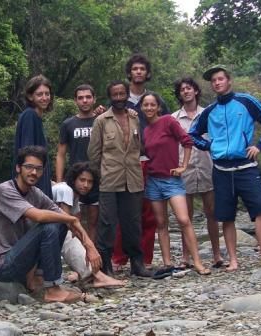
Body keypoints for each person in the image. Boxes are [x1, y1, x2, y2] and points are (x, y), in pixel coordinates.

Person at [190, 65, 261, 271]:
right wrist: (209, 145)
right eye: (213, 81)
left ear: (228, 81)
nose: (217, 83)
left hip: (246, 165)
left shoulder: (245, 101)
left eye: (220, 79)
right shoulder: (210, 111)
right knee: (226, 215)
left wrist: (260, 145)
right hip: (221, 169)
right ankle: (233, 260)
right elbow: (192, 133)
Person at [0, 146, 99, 303]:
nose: (33, 172)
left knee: (59, 223)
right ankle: (52, 289)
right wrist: (72, 219)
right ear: (18, 168)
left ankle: (39, 278)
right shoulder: (5, 190)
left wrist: (89, 245)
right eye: (29, 167)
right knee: (51, 225)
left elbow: (63, 216)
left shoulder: (35, 193)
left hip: (24, 260)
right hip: (4, 265)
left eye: (38, 169)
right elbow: (38, 216)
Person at [141, 92, 211, 278]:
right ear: (141, 108)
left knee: (183, 220)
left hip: (172, 180)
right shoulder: (145, 131)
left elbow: (187, 141)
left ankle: (197, 261)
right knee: (161, 224)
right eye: (145, 105)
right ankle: (167, 263)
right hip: (153, 180)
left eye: (152, 104)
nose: (149, 108)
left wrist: (183, 166)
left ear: (158, 107)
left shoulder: (168, 121)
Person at [87, 80, 150, 277]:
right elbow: (94, 153)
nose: (119, 98)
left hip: (133, 179)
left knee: (133, 223)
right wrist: (99, 177)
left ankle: (137, 264)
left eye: (122, 94)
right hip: (109, 180)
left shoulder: (134, 118)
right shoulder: (101, 121)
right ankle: (106, 264)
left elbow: (139, 148)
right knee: (107, 223)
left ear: (127, 95)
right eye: (115, 95)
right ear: (110, 97)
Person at [112, 54, 167, 271]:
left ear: (147, 73)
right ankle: (118, 258)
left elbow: (166, 128)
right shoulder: (120, 98)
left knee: (149, 212)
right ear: (129, 72)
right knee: (122, 211)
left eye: (142, 69)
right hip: (123, 162)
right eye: (134, 69)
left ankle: (145, 258)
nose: (138, 72)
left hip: (149, 161)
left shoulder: (156, 100)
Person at [171, 77, 223, 268]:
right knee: (186, 216)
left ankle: (217, 254)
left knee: (211, 212)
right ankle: (186, 257)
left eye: (189, 88)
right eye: (182, 89)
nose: (186, 91)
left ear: (196, 91)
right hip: (184, 170)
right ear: (179, 94)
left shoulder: (209, 114)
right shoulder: (173, 119)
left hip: (207, 167)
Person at [53, 162, 125, 288]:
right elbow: (69, 223)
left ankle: (90, 273)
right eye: (82, 180)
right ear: (74, 179)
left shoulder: (74, 196)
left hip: (48, 232)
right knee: (68, 235)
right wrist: (89, 247)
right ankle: (97, 276)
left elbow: (77, 223)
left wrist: (88, 247)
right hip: (36, 230)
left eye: (90, 182)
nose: (86, 185)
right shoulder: (65, 190)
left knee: (74, 236)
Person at [55, 84, 99, 241]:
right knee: (74, 219)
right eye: (80, 98)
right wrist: (59, 181)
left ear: (94, 99)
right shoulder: (68, 124)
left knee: (94, 220)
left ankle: (93, 256)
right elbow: (61, 154)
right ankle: (78, 254)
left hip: (97, 178)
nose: (84, 101)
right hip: (75, 179)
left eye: (88, 97)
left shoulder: (101, 120)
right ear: (75, 101)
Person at [13, 75, 54, 198]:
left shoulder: (36, 117)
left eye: (47, 94)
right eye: (40, 94)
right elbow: (28, 153)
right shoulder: (30, 116)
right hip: (31, 183)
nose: (44, 98)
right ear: (31, 96)